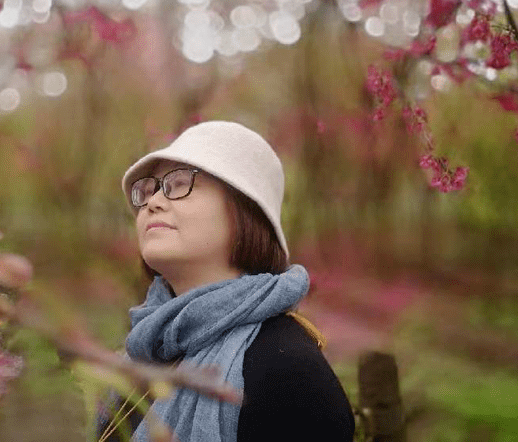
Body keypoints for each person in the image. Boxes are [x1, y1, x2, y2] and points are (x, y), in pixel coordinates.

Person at [96, 120, 355, 442]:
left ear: (245, 210)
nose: (152, 202)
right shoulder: (143, 351)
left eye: (178, 184)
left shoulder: (285, 366)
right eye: (148, 190)